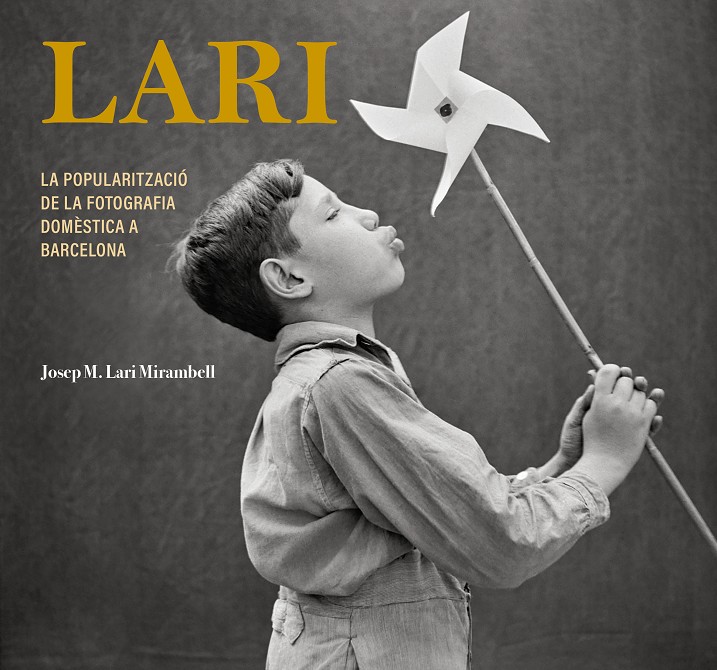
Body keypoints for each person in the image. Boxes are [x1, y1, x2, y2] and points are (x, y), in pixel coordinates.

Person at [173, 158, 664, 669]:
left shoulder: (334, 379)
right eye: (334, 213)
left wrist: (563, 466)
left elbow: (444, 513)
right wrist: (604, 460)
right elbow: (500, 543)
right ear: (289, 277)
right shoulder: (340, 384)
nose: (367, 215)